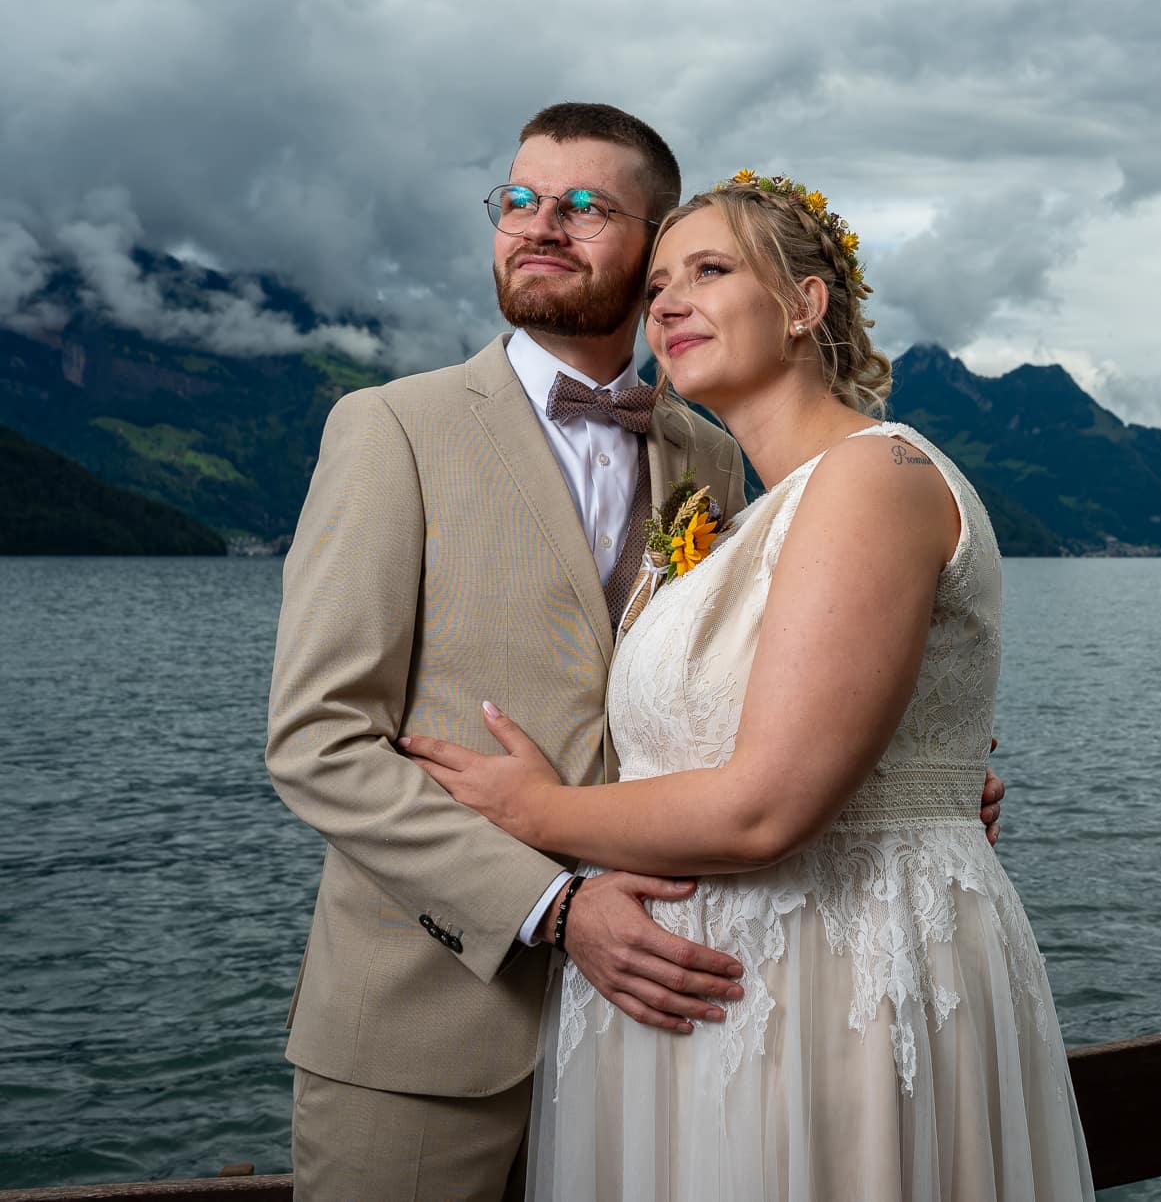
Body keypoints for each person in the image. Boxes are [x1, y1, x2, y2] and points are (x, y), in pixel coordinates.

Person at [265, 106, 1008, 1201]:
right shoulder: (391, 426)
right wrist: (552, 905)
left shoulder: (711, 444)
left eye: (586, 207)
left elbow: (773, 664)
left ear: (653, 246)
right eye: (517, 199)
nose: (540, 226)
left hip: (674, 1015)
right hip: (431, 1025)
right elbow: (316, 740)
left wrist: (904, 768)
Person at [402, 172, 1093, 1200]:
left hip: (831, 984)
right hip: (690, 1001)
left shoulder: (876, 475)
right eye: (656, 288)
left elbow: (770, 803)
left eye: (710, 270)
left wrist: (538, 809)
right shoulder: (728, 521)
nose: (668, 303)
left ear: (805, 302)